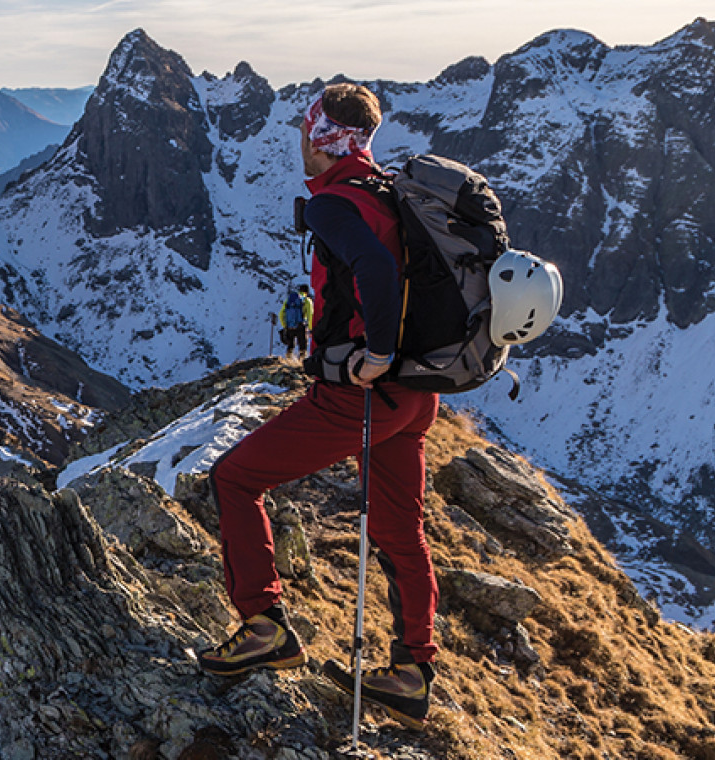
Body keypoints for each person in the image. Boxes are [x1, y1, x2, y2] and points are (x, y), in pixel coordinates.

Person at [195, 83, 442, 727]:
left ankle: (263, 625)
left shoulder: (336, 203)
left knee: (236, 477)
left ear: (323, 137)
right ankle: (414, 671)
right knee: (399, 531)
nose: (300, 144)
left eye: (307, 132)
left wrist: (377, 353)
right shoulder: (386, 189)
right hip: (416, 397)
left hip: (361, 393)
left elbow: (376, 274)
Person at [276, 285, 313, 358]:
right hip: (300, 326)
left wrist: (285, 326)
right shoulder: (307, 301)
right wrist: (311, 328)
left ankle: (288, 359)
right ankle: (302, 361)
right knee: (302, 346)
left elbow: (281, 314)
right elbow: (310, 315)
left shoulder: (289, 299)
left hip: (290, 326)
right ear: (307, 292)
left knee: (290, 345)